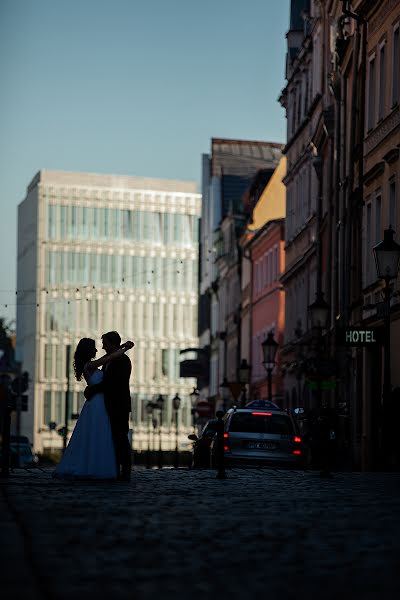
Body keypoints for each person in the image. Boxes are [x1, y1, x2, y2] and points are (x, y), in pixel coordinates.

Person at [53, 338, 134, 480]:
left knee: (101, 434)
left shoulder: (92, 364)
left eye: (103, 345)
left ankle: (100, 464)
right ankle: (98, 465)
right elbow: (111, 357)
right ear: (88, 350)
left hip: (99, 402)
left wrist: (120, 347)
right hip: (98, 404)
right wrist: (125, 348)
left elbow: (108, 357)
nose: (98, 350)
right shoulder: (90, 365)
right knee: (100, 433)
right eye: (94, 348)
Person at [84, 331, 133, 481]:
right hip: (109, 404)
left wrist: (92, 389)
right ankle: (115, 468)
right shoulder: (108, 360)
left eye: (105, 342)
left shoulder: (123, 361)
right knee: (113, 437)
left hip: (119, 405)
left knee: (120, 436)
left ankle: (125, 470)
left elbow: (112, 384)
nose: (103, 345)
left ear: (112, 343)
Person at [307, 402, 339, 478]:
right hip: (323, 440)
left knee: (324, 453)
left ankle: (323, 467)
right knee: (325, 453)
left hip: (323, 439)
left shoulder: (316, 415)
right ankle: (324, 467)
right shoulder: (330, 415)